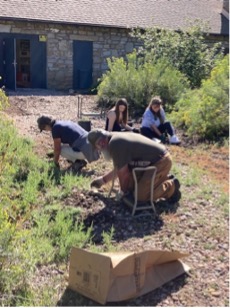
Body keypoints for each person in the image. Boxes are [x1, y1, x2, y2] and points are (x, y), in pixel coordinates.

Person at [87, 129, 181, 204]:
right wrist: (103, 180)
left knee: (141, 196)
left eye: (102, 140)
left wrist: (122, 193)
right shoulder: (113, 139)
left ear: (105, 135)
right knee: (131, 189)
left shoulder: (115, 144)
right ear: (96, 148)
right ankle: (160, 179)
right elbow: (120, 167)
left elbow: (124, 174)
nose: (102, 144)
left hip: (160, 161)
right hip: (149, 162)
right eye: (99, 143)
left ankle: (171, 186)